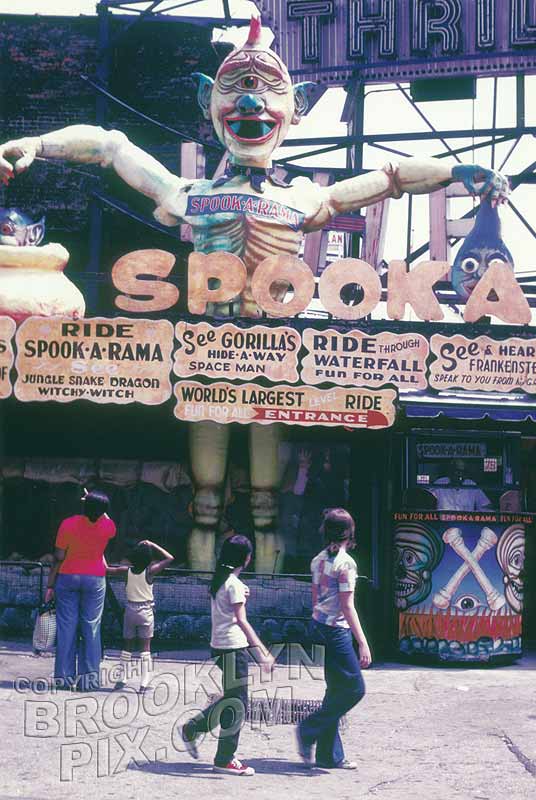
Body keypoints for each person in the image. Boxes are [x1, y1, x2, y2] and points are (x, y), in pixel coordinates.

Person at [0, 17, 509, 574]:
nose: (250, 101)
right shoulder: (190, 195)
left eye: (268, 90)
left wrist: (457, 168)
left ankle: (258, 593)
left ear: (299, 105)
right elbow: (111, 147)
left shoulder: (303, 199)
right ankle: (207, 590)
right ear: (205, 98)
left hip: (273, 356)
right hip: (205, 352)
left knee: (266, 502)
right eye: (234, 87)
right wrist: (37, 144)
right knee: (206, 498)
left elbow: (387, 177)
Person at [181, 534, 274, 776]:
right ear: (246, 558)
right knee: (238, 703)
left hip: (220, 646)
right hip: (234, 647)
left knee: (233, 700)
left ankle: (195, 727)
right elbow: (242, 621)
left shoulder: (223, 581)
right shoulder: (232, 584)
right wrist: (262, 653)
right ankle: (224, 758)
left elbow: (230, 606)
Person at [296, 508, 371, 770]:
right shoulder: (346, 563)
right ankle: (308, 728)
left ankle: (330, 755)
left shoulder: (317, 560)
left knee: (336, 690)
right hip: (336, 630)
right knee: (354, 689)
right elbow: (347, 606)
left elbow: (315, 598)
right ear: (349, 533)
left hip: (318, 626)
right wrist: (362, 641)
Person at [44, 488, 115, 691]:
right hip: (95, 579)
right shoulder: (108, 526)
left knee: (67, 628)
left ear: (84, 505)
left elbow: (58, 557)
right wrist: (95, 502)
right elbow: (104, 516)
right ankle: (89, 681)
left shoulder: (68, 524)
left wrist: (50, 585)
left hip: (68, 577)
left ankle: (64, 679)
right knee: (91, 627)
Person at [106, 539, 174, 693]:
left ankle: (122, 679)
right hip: (145, 611)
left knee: (127, 647)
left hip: (130, 610)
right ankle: (144, 683)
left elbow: (107, 569)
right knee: (145, 649)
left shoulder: (126, 571)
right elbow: (170, 558)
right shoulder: (150, 572)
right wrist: (152, 544)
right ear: (148, 558)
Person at [427, 459, 492, 511]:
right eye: (455, 471)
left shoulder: (471, 484)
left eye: (461, 472)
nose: (458, 474)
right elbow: (427, 502)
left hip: (466, 525)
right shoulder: (440, 483)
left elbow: (485, 506)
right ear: (450, 472)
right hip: (443, 524)